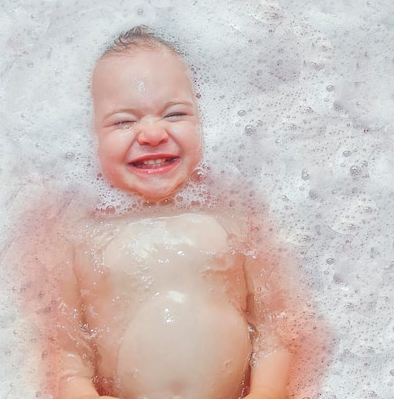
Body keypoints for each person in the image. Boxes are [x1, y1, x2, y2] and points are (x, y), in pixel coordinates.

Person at [35, 26, 294, 399]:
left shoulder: (232, 214)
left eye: (174, 115)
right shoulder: (80, 231)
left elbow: (276, 328)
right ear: (90, 137)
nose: (153, 134)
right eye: (124, 121)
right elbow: (67, 352)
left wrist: (266, 391)